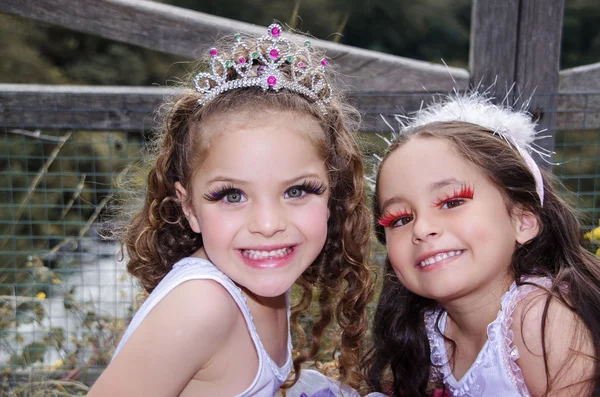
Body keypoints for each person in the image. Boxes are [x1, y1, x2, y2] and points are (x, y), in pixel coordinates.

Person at [87, 23, 373, 397]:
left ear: (332, 195)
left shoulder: (261, 277)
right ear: (188, 207)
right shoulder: (202, 306)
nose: (268, 225)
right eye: (232, 196)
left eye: (297, 190)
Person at [363, 93, 600, 397]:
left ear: (523, 220)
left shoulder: (539, 320)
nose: (421, 229)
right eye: (400, 219)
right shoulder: (432, 327)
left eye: (452, 202)